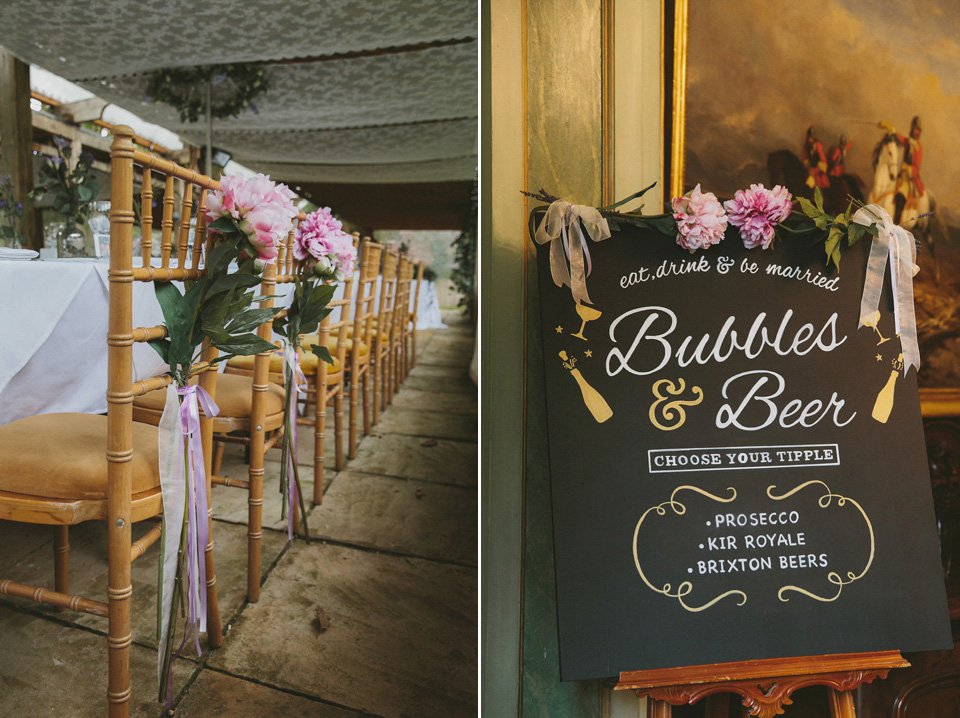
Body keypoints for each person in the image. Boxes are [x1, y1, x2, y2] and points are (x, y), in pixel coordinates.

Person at [879, 116, 924, 223]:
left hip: (909, 178)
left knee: (900, 195)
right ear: (912, 130)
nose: (916, 132)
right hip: (901, 174)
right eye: (915, 129)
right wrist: (889, 127)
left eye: (918, 130)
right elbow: (899, 137)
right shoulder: (908, 141)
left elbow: (916, 167)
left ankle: (896, 225)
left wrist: (908, 169)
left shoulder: (918, 147)